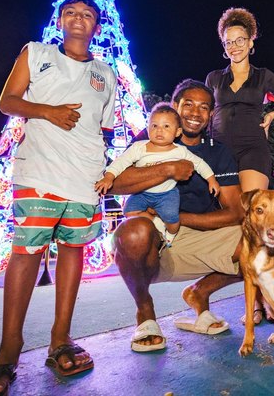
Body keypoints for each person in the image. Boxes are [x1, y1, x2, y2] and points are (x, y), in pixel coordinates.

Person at [0, 0, 116, 396]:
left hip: (85, 177)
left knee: (73, 252)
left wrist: (104, 170)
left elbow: (104, 127)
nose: (79, 19)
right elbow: (7, 101)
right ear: (60, 20)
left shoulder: (107, 72)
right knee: (27, 253)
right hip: (39, 170)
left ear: (96, 26)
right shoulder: (35, 53)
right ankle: (7, 353)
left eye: (87, 15)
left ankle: (60, 340)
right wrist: (48, 111)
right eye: (71, 13)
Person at [110, 79, 244, 352]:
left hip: (199, 236)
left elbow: (236, 211)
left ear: (211, 115)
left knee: (263, 243)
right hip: (154, 241)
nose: (196, 113)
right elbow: (112, 183)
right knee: (134, 232)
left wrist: (177, 218)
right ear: (174, 106)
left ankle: (200, 293)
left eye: (204, 107)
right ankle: (145, 311)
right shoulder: (146, 142)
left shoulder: (217, 152)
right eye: (188, 104)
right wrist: (167, 169)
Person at [205, 7, 274, 193]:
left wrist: (272, 115)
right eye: (228, 42)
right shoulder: (214, 78)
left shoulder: (263, 76)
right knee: (230, 212)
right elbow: (205, 112)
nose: (234, 46)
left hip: (253, 147)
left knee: (252, 204)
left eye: (240, 40)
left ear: (250, 42)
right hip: (220, 149)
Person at [95, 103, 221, 247]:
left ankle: (171, 234)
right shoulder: (139, 147)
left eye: (166, 126)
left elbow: (199, 163)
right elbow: (121, 162)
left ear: (178, 132)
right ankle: (156, 222)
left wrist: (211, 180)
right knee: (129, 212)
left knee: (172, 221)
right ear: (148, 128)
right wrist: (109, 177)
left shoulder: (180, 151)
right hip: (142, 193)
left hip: (167, 194)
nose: (159, 130)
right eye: (154, 125)